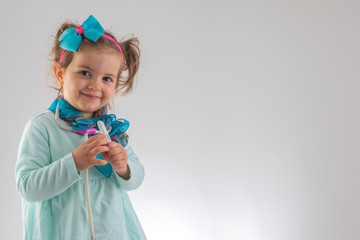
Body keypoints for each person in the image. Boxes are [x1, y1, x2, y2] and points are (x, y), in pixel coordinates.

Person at [15, 15, 146, 240]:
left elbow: (137, 177)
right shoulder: (42, 128)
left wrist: (124, 167)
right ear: (60, 74)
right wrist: (74, 163)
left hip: (113, 232)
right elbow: (27, 187)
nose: (95, 85)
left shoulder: (110, 129)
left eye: (107, 78)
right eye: (85, 73)